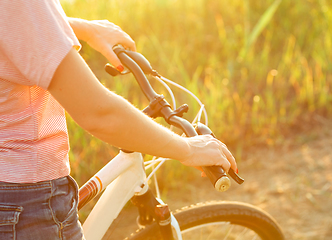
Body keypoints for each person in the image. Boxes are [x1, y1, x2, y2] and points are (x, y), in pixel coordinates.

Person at [0, 0, 238, 239]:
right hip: (24, 202)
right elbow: (98, 113)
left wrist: (86, 29)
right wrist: (188, 150)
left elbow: (17, 26)